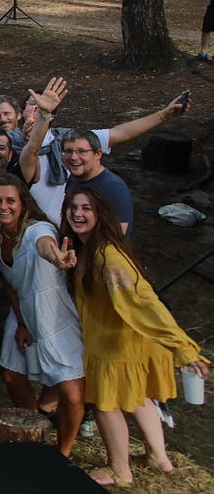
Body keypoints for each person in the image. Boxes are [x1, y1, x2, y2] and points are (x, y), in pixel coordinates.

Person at [62, 186, 209, 487]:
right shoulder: (84, 248)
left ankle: (119, 469)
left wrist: (182, 347)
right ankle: (158, 457)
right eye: (73, 207)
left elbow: (144, 302)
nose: (77, 214)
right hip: (118, 338)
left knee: (105, 403)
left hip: (118, 343)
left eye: (86, 208)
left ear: (100, 214)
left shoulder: (108, 257)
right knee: (137, 395)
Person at [0, 174, 84, 455]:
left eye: (10, 200)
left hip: (54, 315)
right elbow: (9, 283)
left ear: (23, 203)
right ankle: (35, 434)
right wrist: (21, 322)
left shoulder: (37, 229)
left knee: (72, 393)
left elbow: (45, 245)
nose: (3, 206)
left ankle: (63, 452)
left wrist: (56, 258)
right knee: (12, 376)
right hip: (24, 314)